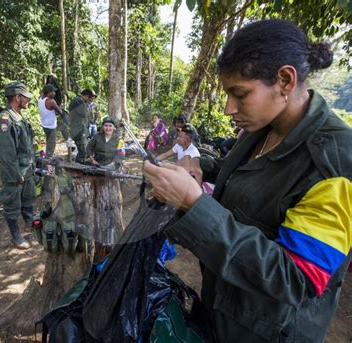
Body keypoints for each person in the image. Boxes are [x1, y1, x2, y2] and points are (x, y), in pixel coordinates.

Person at [143, 20, 351, 342]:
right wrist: (204, 166)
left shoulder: (335, 164)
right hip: (223, 312)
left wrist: (193, 204)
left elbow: (296, 277)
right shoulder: (262, 128)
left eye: (239, 94)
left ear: (284, 80)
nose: (228, 108)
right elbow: (251, 175)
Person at [0, 82, 37, 249]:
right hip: (15, 171)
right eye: (26, 97)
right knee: (12, 203)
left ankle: (29, 220)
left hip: (26, 168)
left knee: (28, 196)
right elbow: (5, 153)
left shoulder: (18, 116)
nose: (28, 101)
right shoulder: (5, 120)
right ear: (17, 98)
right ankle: (16, 236)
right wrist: (15, 174)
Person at [38, 84, 66, 158]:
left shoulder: (40, 98)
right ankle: (47, 162)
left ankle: (46, 158)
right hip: (51, 126)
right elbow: (60, 112)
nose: (55, 93)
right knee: (51, 145)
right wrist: (60, 108)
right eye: (53, 91)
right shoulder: (51, 101)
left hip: (44, 124)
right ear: (49, 92)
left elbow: (49, 109)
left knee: (48, 142)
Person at [69, 89, 96, 163]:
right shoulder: (78, 101)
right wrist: (87, 104)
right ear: (86, 96)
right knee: (82, 152)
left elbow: (87, 118)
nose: (91, 102)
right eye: (90, 100)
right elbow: (85, 113)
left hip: (81, 130)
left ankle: (79, 166)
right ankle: (78, 168)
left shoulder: (80, 101)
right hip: (78, 131)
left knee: (84, 152)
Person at [45, 75, 70, 145]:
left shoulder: (56, 89)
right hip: (50, 112)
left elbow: (58, 96)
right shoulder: (45, 93)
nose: (51, 80)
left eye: (52, 79)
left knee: (64, 126)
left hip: (57, 108)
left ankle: (69, 143)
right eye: (49, 79)